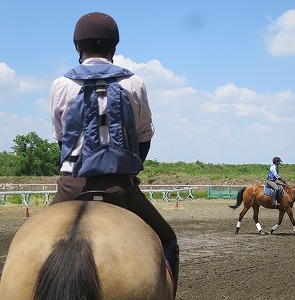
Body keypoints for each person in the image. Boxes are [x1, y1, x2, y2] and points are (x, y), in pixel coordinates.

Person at [50, 12, 179, 297]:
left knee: (26, 240)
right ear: (114, 48)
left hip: (72, 186)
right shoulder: (134, 83)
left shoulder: (60, 85)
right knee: (168, 240)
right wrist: (130, 171)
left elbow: (62, 138)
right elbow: (145, 136)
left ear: (77, 47)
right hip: (121, 187)